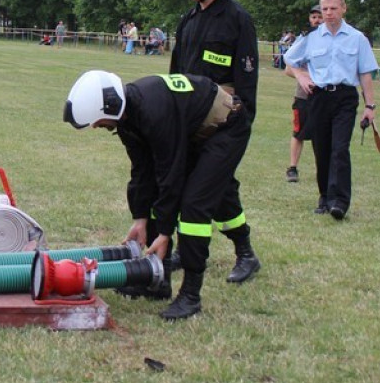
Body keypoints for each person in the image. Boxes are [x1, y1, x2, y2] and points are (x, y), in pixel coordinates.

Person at [64, 70, 248, 320]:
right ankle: (158, 283)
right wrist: (140, 218)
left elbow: (170, 174)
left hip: (226, 127)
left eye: (98, 121)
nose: (96, 126)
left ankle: (191, 295)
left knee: (195, 205)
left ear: (111, 107)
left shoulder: (154, 111)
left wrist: (164, 232)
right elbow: (143, 171)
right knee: (207, 195)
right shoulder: (129, 118)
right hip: (195, 132)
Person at [170, 0, 261, 284]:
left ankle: (234, 254)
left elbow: (247, 76)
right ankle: (246, 253)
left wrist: (238, 114)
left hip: (228, 123)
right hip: (193, 122)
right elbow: (177, 74)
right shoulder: (189, 21)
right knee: (221, 189)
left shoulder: (237, 19)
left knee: (202, 188)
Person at [283, 0, 378, 220]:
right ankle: (325, 197)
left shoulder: (357, 38)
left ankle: (339, 202)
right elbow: (289, 59)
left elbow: (365, 73)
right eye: (324, 9)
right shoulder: (311, 37)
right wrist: (300, 75)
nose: (328, 13)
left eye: (333, 8)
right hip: (319, 98)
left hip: (345, 97)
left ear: (343, 9)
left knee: (340, 148)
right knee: (322, 149)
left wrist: (370, 106)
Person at [285, 4, 324, 183]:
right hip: (303, 96)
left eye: (320, 16)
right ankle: (292, 168)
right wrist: (306, 76)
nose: (317, 20)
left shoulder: (332, 39)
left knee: (322, 136)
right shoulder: (304, 40)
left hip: (324, 97)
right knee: (298, 133)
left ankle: (323, 169)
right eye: (314, 17)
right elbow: (288, 69)